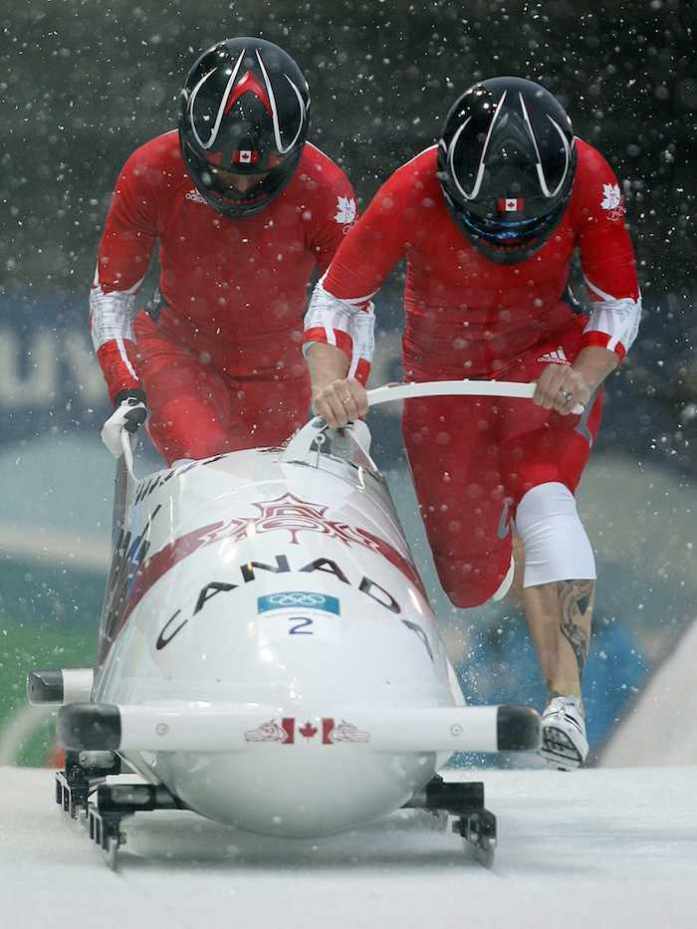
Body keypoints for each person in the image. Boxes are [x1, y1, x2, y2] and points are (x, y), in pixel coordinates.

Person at [303, 76, 641, 770]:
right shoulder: (412, 187)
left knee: (543, 495)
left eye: (525, 229)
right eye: (488, 225)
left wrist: (580, 372)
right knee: (468, 580)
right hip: (442, 379)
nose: (506, 238)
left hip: (543, 366)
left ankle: (565, 707)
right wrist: (330, 383)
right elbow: (335, 301)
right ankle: (505, 575)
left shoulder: (589, 179)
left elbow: (617, 303)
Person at [91, 37, 357, 466]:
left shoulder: (325, 191)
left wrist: (346, 388)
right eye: (224, 171)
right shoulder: (151, 171)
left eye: (259, 174)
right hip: (178, 356)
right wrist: (125, 386)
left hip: (280, 373)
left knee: (273, 497)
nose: (243, 186)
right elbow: (112, 293)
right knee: (208, 461)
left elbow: (351, 301)